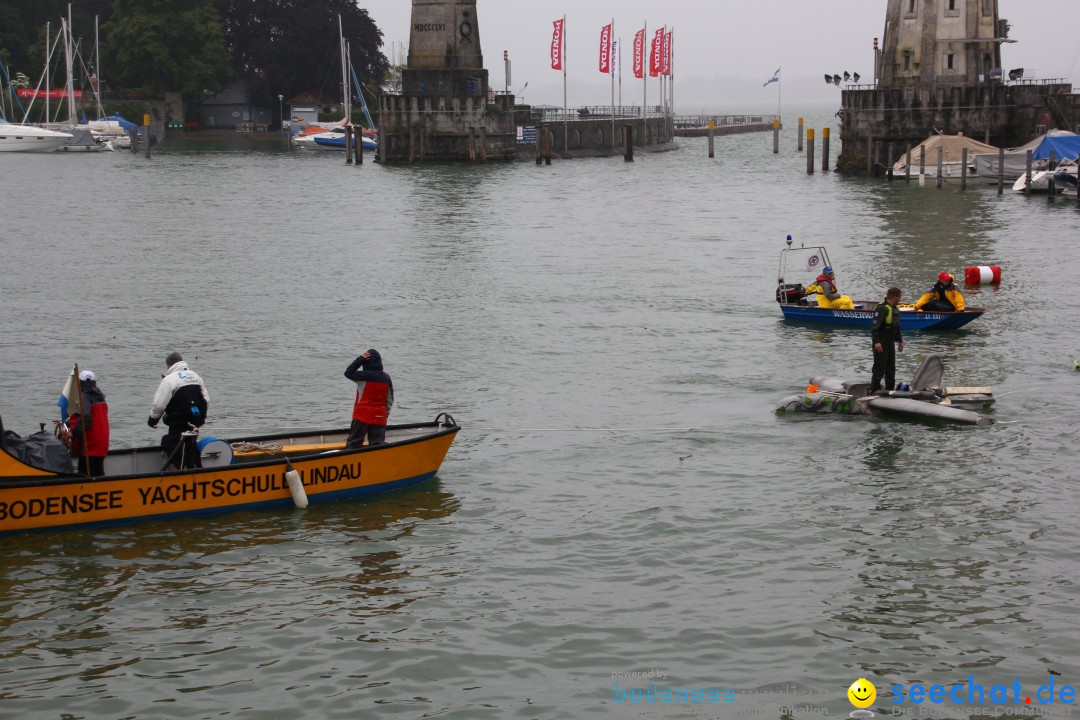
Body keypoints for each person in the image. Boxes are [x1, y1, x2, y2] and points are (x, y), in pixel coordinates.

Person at [148, 351, 209, 469]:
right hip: (194, 421)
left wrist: (153, 420)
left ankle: (180, 469)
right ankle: (193, 467)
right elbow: (206, 399)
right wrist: (201, 419)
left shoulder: (169, 379)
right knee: (190, 444)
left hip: (177, 421)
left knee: (173, 443)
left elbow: (159, 404)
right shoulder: (195, 376)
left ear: (169, 365)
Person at [54, 370, 110, 476]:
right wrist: (66, 423)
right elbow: (90, 416)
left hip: (90, 445)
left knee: (85, 473)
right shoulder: (100, 397)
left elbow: (86, 418)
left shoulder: (84, 396)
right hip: (102, 443)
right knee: (98, 472)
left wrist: (72, 432)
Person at [344, 349, 394, 448]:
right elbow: (390, 399)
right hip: (380, 417)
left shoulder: (363, 376)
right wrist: (385, 414)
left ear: (366, 362)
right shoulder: (386, 378)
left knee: (354, 444)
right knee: (377, 446)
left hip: (362, 415)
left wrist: (359, 359)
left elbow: (348, 373)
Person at [870, 287, 905, 393]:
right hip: (881, 341)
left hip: (890, 341)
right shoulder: (882, 308)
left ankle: (890, 390)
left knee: (891, 368)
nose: (900, 299)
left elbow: (896, 327)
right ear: (895, 296)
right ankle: (874, 391)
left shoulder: (895, 309)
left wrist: (900, 341)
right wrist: (877, 342)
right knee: (879, 368)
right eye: (899, 297)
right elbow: (875, 327)